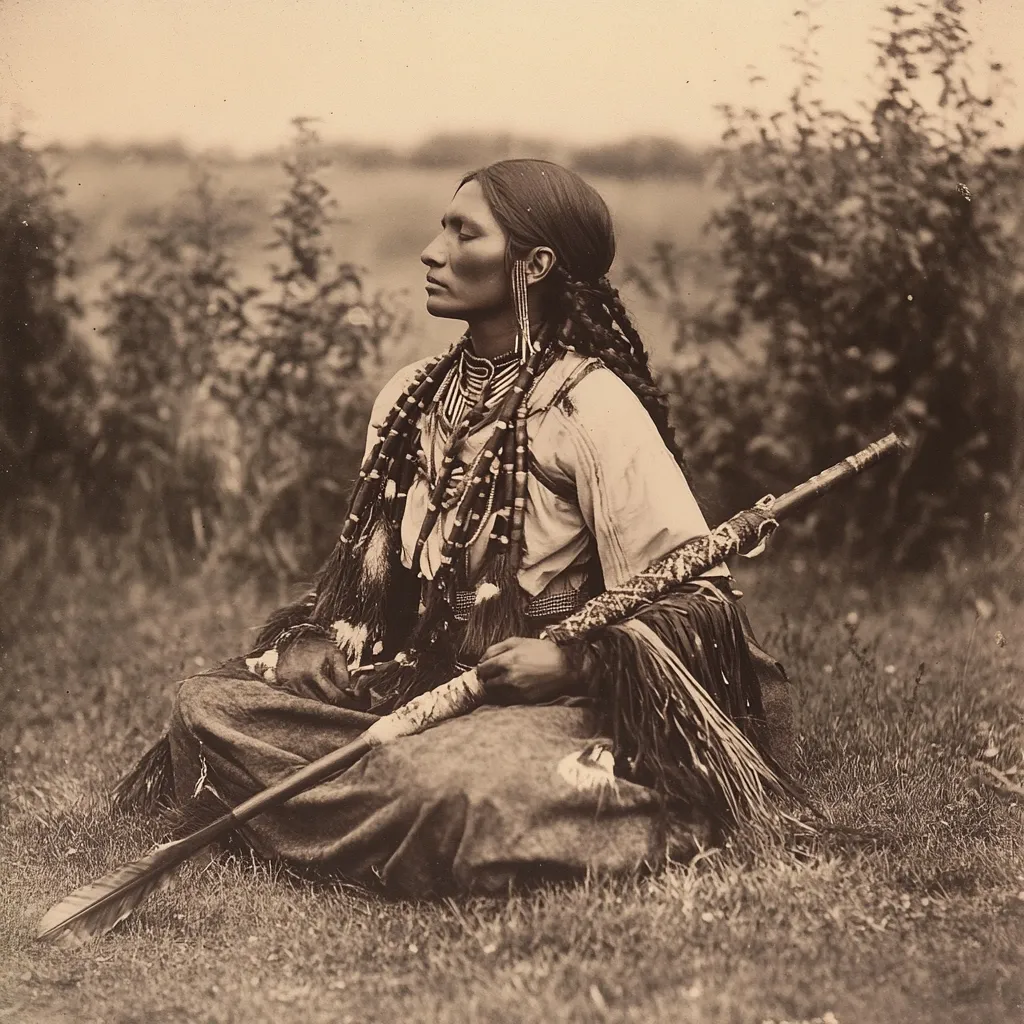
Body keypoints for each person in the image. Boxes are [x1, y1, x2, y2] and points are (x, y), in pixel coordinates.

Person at [115, 159, 793, 896]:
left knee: (441, 782)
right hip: (432, 686)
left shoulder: (589, 408)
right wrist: (325, 640)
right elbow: (371, 586)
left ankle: (431, 811)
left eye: (463, 232)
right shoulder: (408, 398)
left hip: (568, 702)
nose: (431, 251)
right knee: (208, 704)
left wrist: (573, 666)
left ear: (534, 265)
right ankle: (413, 823)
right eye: (441, 226)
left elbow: (703, 603)